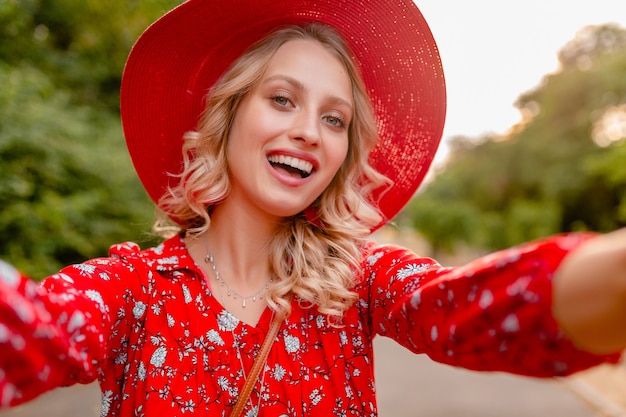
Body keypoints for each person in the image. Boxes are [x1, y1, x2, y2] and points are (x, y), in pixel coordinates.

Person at [1, 0, 624, 415]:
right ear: (228, 115)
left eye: (334, 119)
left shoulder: (358, 285)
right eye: (281, 100)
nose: (309, 131)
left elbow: (475, 308)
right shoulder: (129, 291)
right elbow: (34, 331)